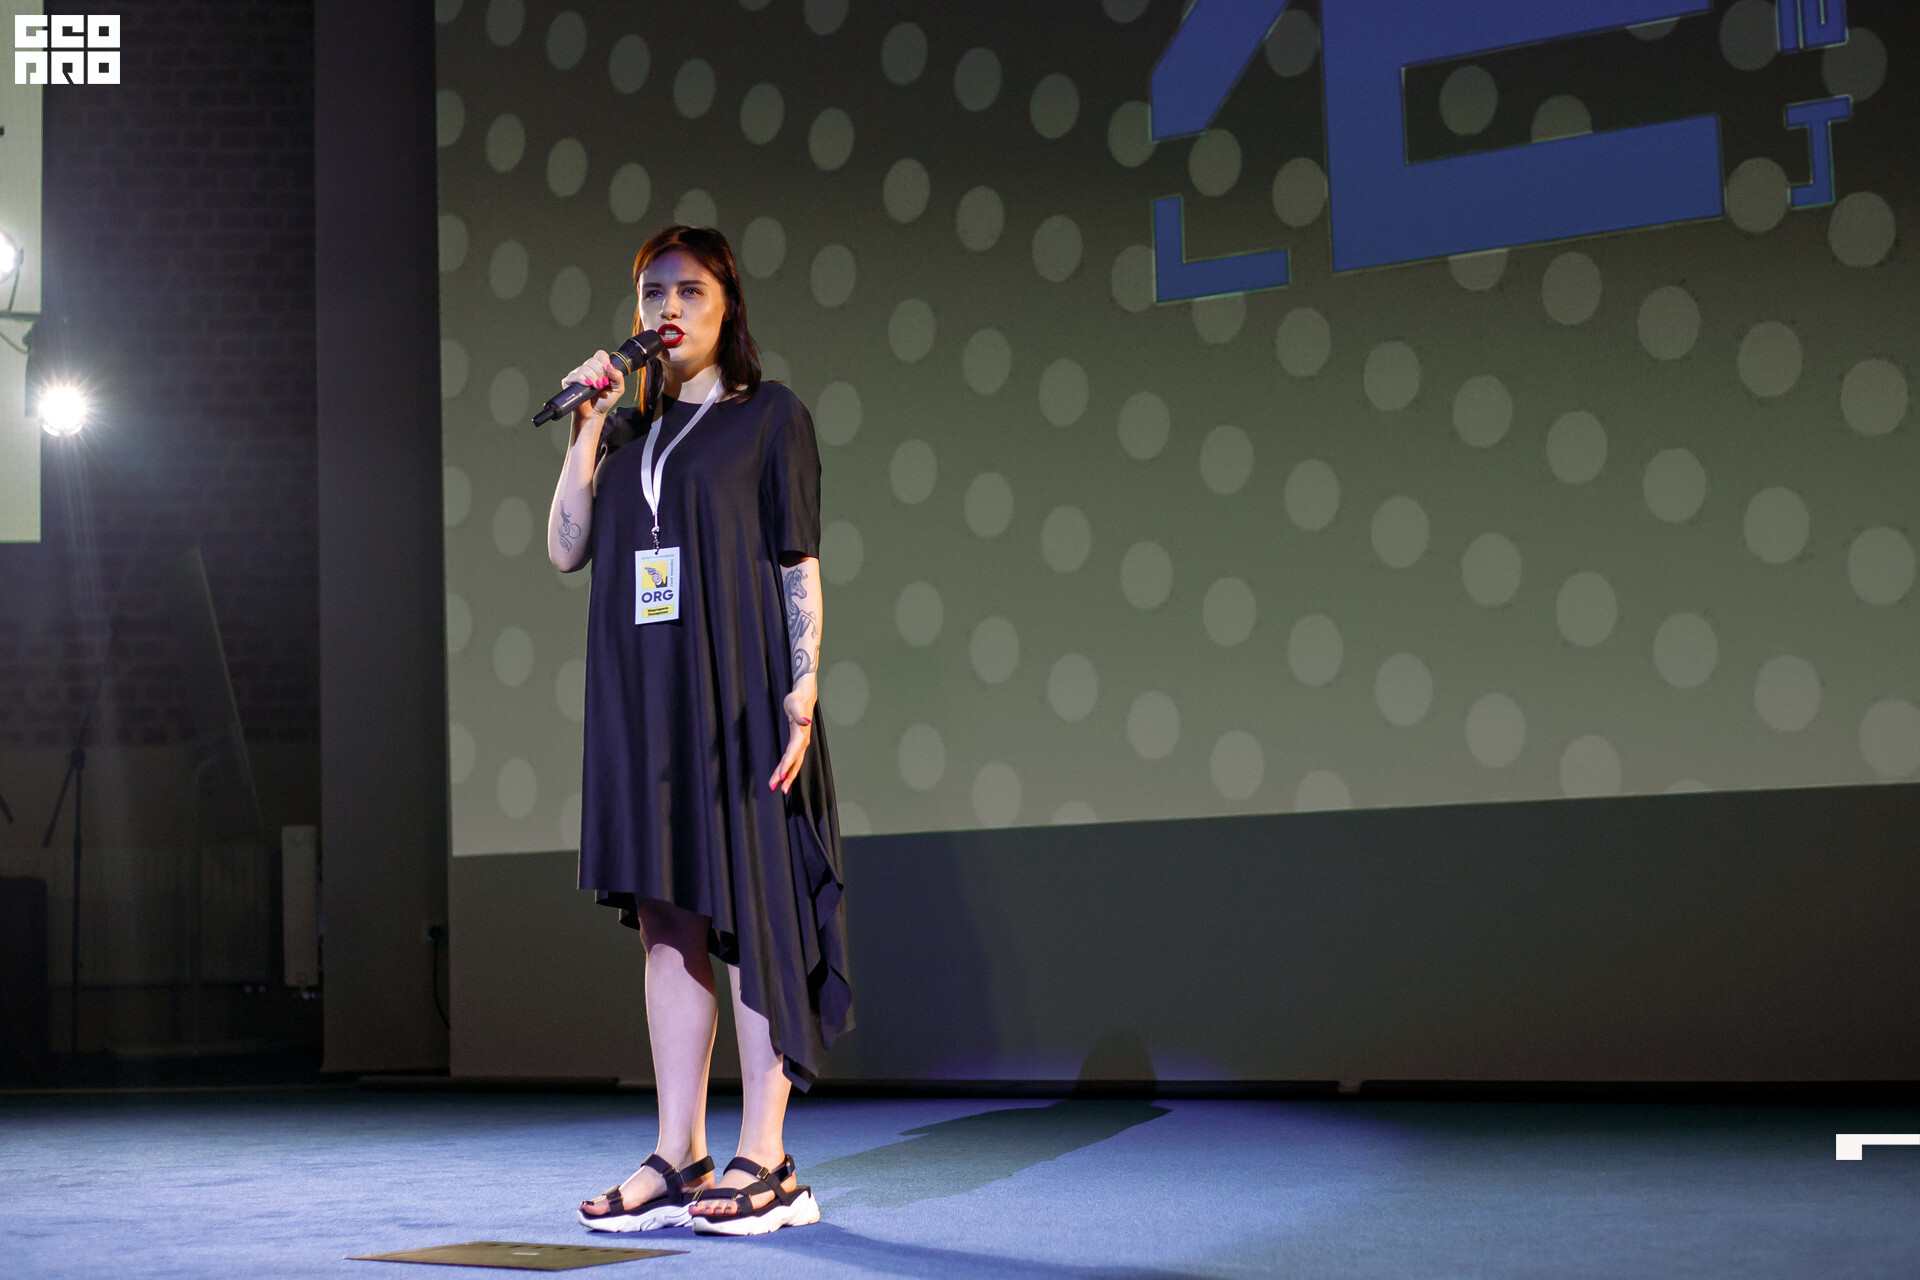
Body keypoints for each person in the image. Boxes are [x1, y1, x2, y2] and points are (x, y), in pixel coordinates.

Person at [546, 225, 851, 1237]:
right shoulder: (625, 433)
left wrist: (805, 684)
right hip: (644, 703)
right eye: (651, 293)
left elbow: (797, 560)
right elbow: (566, 549)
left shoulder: (770, 416)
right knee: (666, 924)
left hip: (738, 696)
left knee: (752, 909)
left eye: (689, 291)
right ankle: (679, 1151)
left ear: (728, 308)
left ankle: (769, 1154)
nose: (667, 309)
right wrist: (586, 428)